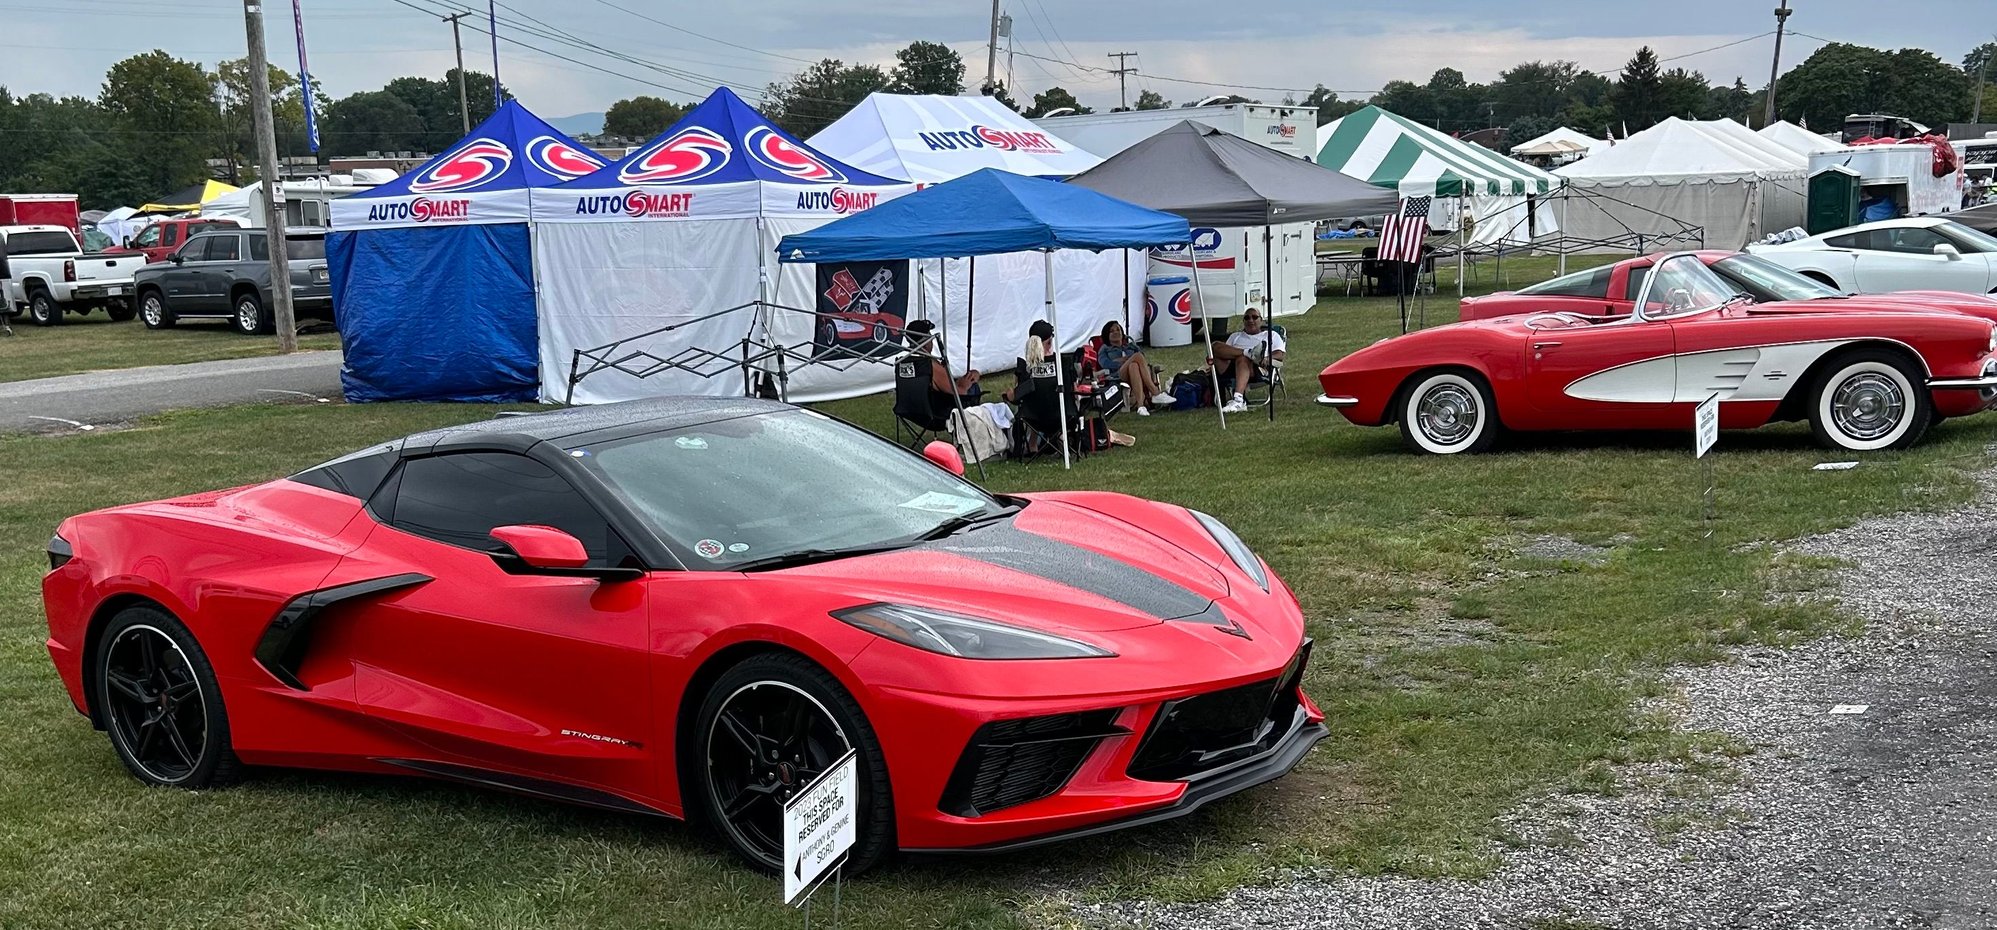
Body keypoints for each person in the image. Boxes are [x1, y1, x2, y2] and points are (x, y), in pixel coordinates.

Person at [1211, 308, 1286, 413]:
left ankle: (1238, 400)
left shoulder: (1271, 335)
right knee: (1215, 346)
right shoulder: (1235, 336)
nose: (1250, 320)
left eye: (1255, 317)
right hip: (1230, 367)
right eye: (1247, 318)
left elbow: (1280, 354)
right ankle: (1249, 353)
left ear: (1261, 320)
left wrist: (1267, 358)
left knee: (1242, 359)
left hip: (1258, 368)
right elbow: (1224, 352)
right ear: (1243, 321)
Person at [1098, 320, 1175, 416]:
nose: (1116, 332)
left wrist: (1128, 361)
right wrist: (1121, 362)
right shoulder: (1105, 349)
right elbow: (1105, 364)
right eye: (1112, 331)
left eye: (1118, 329)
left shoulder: (1131, 346)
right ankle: (1155, 392)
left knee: (1133, 366)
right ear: (1107, 335)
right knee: (1136, 356)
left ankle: (1140, 406)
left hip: (1134, 372)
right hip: (1117, 375)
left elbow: (1143, 359)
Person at [903, 319, 980, 409]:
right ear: (926, 343)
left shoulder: (907, 362)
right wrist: (965, 385)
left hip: (916, 410)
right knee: (973, 386)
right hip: (939, 410)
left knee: (970, 376)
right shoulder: (930, 365)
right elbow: (959, 393)